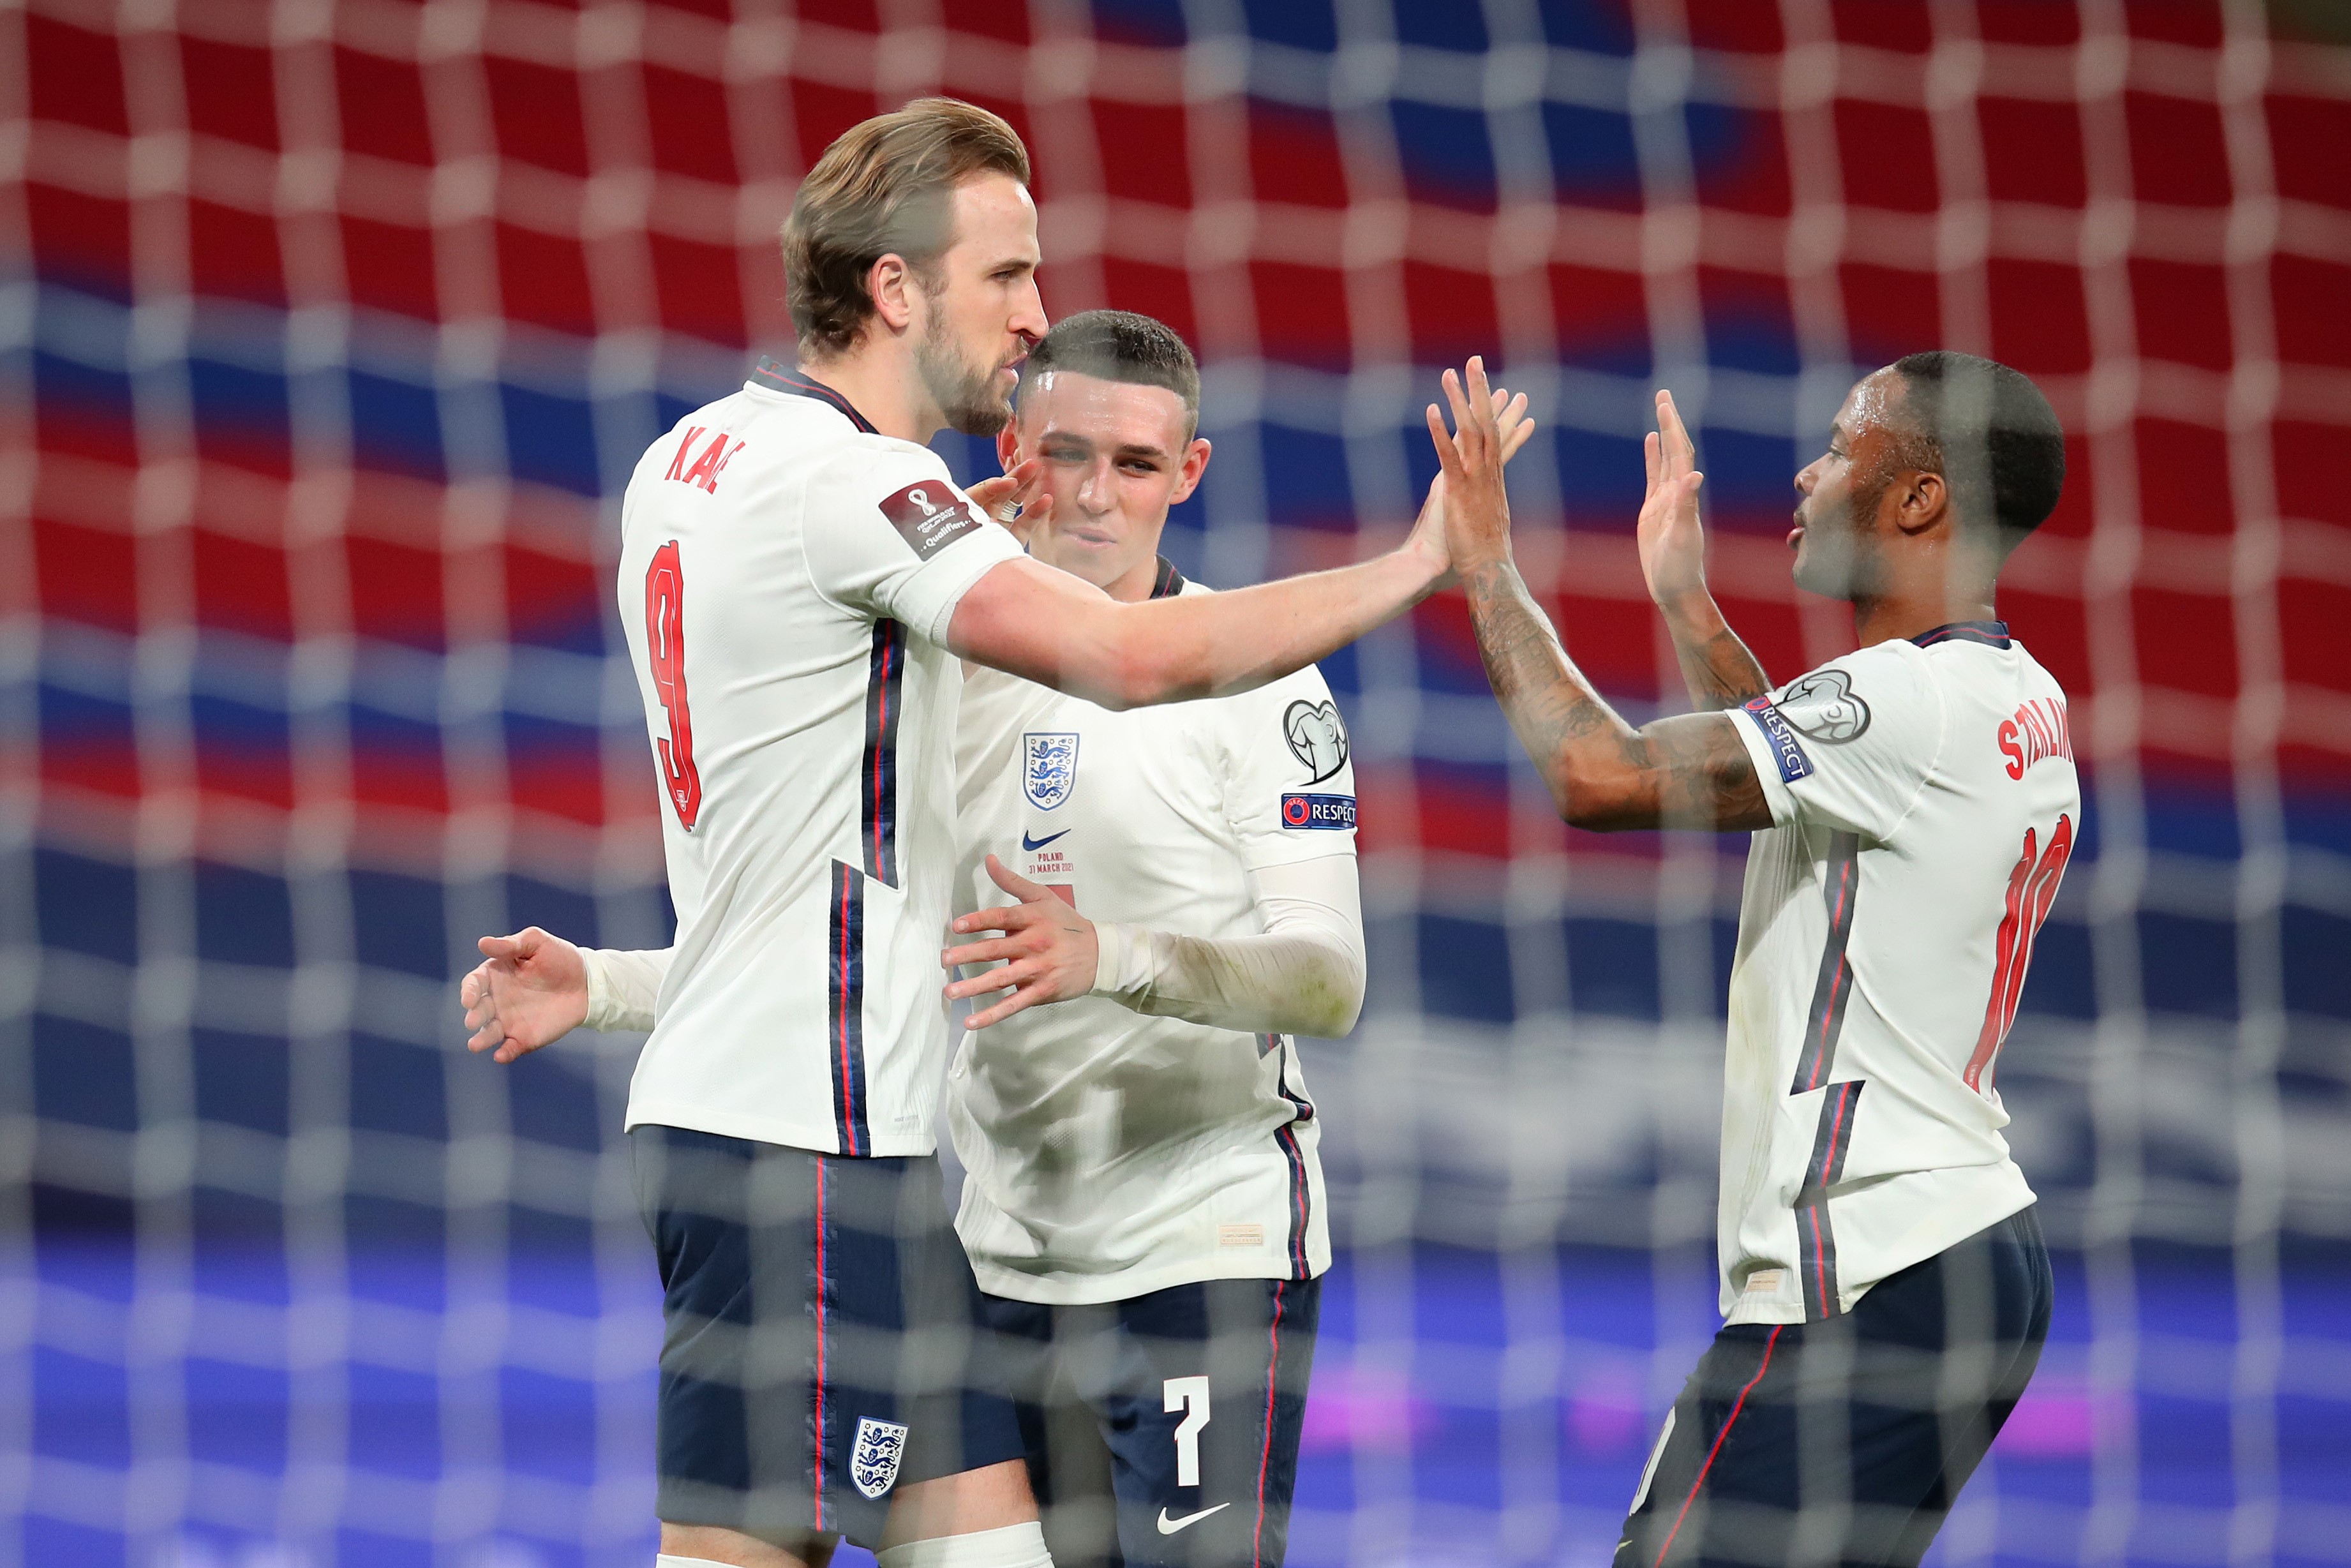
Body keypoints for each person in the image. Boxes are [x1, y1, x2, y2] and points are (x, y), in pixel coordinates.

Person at [456, 98, 1468, 1568]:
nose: (1034, 310)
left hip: (823, 1143)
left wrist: (608, 983)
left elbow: (835, 874)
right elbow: (1127, 658)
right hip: (798, 1141)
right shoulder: (860, 488)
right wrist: (1422, 559)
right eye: (1006, 275)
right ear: (894, 288)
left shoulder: (685, 461)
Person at [1426, 354, 2074, 1567]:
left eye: (1841, 448)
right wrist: (1687, 605)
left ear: (1920, 499)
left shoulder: (1903, 702)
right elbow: (1814, 776)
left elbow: (1598, 775)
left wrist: (1485, 564)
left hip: (1864, 1265)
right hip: (1976, 1247)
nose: (1807, 472)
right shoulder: (2013, 693)